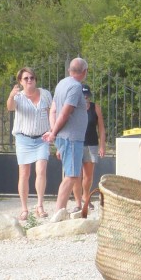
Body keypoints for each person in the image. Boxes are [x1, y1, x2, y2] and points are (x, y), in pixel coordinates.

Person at [43, 57, 89, 223]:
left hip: (65, 137)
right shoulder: (76, 87)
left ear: (70, 70)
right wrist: (54, 132)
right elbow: (65, 112)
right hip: (71, 139)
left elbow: (53, 110)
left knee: (72, 174)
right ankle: (58, 213)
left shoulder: (61, 83)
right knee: (71, 176)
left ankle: (68, 208)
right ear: (84, 72)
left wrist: (53, 131)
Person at [6, 67, 52, 221]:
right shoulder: (18, 96)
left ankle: (40, 206)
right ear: (21, 81)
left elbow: (52, 112)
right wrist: (11, 96)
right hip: (24, 139)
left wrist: (52, 130)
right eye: (26, 78)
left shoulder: (45, 94)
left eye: (32, 77)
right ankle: (24, 209)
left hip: (42, 138)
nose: (29, 80)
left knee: (41, 170)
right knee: (24, 174)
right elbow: (10, 108)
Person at [74, 84, 105, 213]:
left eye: (87, 95)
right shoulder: (73, 108)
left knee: (88, 175)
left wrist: (102, 145)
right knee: (75, 174)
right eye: (83, 95)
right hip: (76, 143)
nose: (85, 97)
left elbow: (101, 128)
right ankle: (77, 202)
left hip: (91, 143)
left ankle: (85, 195)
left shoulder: (95, 107)